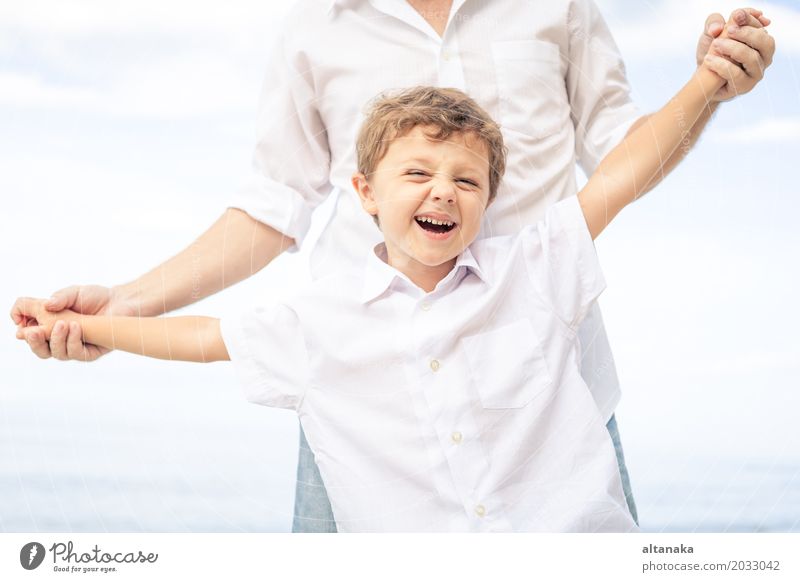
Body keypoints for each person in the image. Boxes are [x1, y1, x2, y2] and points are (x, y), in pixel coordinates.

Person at [11, 1, 775, 532]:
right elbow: (269, 214)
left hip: (549, 395)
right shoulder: (316, 25)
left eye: (466, 180)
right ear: (366, 192)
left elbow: (622, 162)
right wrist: (119, 313)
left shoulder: (558, 7)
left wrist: (711, 83)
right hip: (362, 398)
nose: (443, 191)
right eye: (416, 177)